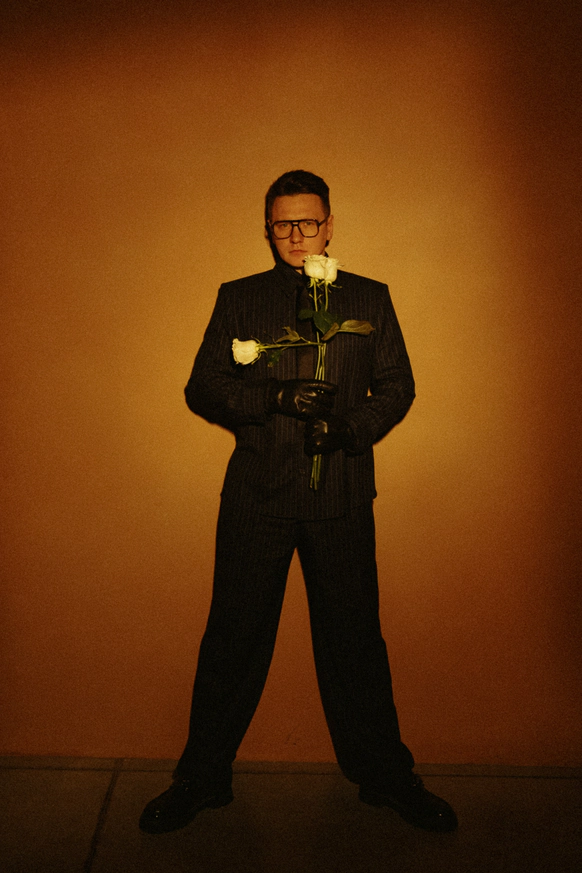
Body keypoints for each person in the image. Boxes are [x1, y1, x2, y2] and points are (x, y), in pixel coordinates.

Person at [139, 170, 457, 834]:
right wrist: (272, 397)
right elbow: (204, 386)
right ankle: (202, 778)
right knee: (232, 639)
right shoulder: (239, 297)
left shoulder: (369, 297)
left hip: (341, 496)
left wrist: (349, 429)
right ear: (269, 228)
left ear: (330, 225)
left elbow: (396, 386)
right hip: (256, 497)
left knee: (356, 642)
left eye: (308, 221)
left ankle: (386, 776)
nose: (296, 235)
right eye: (283, 223)